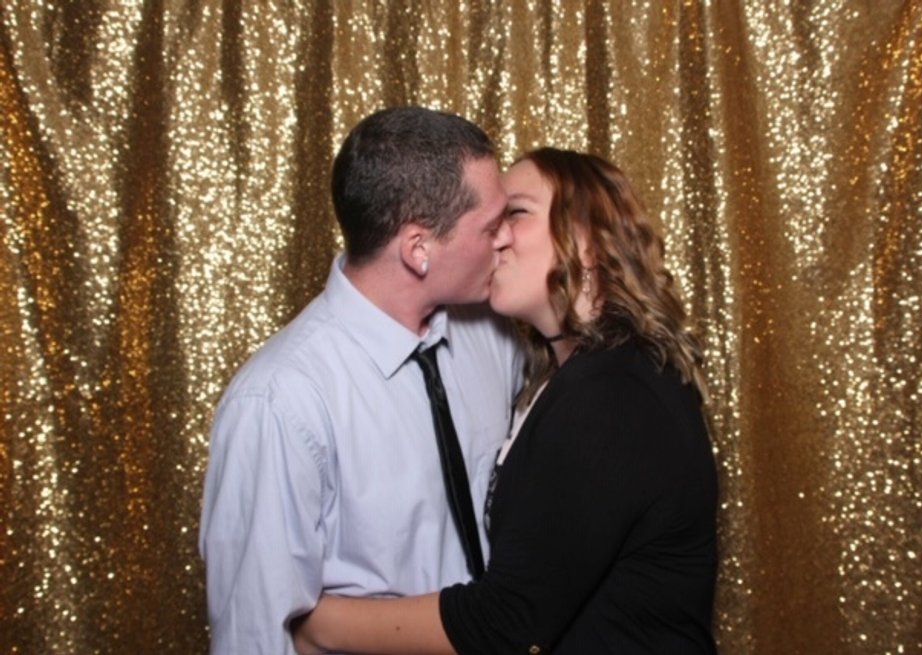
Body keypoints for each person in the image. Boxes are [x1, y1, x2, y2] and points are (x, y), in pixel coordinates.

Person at [292, 147, 718, 654]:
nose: (495, 238)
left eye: (515, 213)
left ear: (588, 238)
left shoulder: (613, 393)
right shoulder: (569, 378)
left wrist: (316, 623)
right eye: (491, 221)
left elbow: (507, 622)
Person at [198, 107, 524, 654]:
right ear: (418, 248)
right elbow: (255, 631)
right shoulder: (280, 402)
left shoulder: (493, 334)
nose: (509, 237)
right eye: (492, 226)